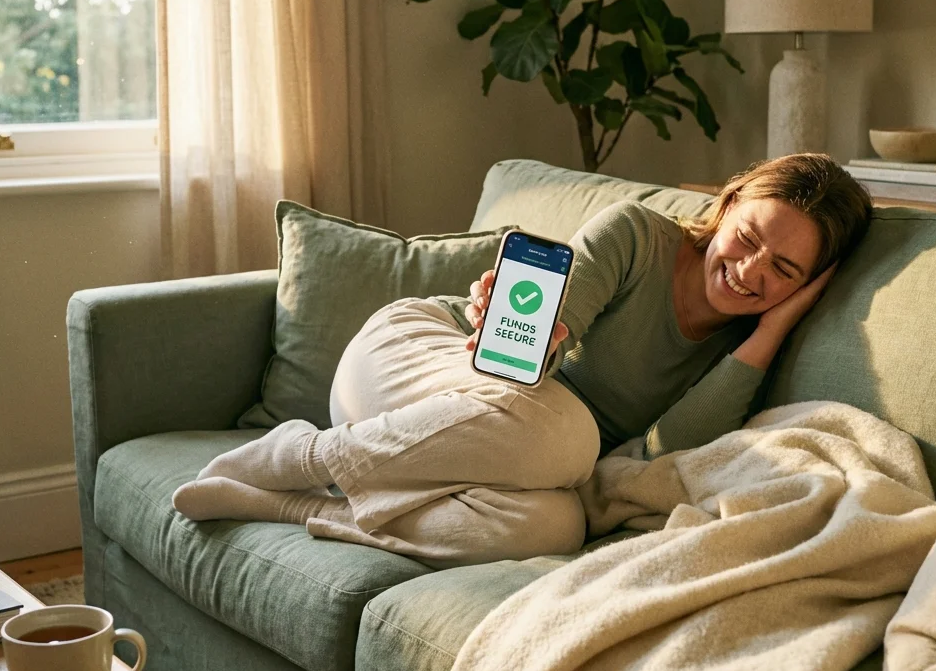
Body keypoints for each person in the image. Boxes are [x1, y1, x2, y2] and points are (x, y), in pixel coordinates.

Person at [172, 154, 874, 568]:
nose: (750, 271)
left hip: (491, 451)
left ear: (810, 285)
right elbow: (542, 348)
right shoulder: (637, 235)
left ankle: (291, 502)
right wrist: (518, 330)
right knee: (569, 435)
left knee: (555, 526)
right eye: (748, 237)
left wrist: (771, 332)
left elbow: (663, 450)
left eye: (784, 269)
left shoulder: (739, 350)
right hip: (418, 361)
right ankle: (304, 457)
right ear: (726, 206)